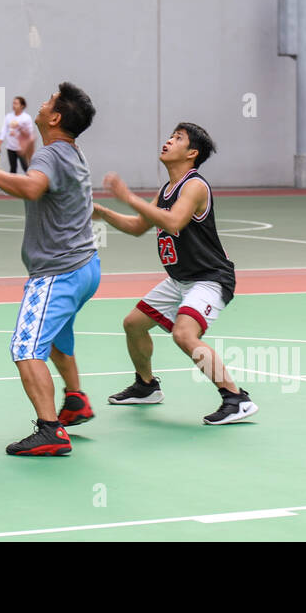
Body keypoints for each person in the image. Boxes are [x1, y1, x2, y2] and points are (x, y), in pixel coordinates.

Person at [0, 82, 100, 457]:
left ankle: (50, 431)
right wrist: (28, 156)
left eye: (47, 102)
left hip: (58, 273)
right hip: (87, 266)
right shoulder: (71, 152)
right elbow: (44, 183)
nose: (41, 105)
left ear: (55, 117)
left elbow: (32, 189)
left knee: (26, 348)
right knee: (58, 337)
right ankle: (75, 400)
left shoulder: (50, 156)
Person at [94, 123, 257, 425]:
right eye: (171, 136)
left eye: (178, 138)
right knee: (133, 324)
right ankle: (146, 386)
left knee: (184, 335)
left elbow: (173, 222)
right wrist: (104, 212)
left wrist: (128, 197)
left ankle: (236, 399)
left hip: (210, 278)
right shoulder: (166, 190)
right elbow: (138, 226)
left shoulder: (194, 186)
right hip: (180, 279)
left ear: (192, 153)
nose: (168, 141)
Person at [0, 96, 35, 173]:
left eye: (16, 103)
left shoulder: (26, 118)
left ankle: (31, 183)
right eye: (13, 103)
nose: (14, 105)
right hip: (11, 148)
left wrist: (19, 127)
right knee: (13, 169)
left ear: (22, 106)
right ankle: (12, 185)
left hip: (22, 148)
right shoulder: (8, 116)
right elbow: (4, 131)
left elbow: (30, 133)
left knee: (26, 168)